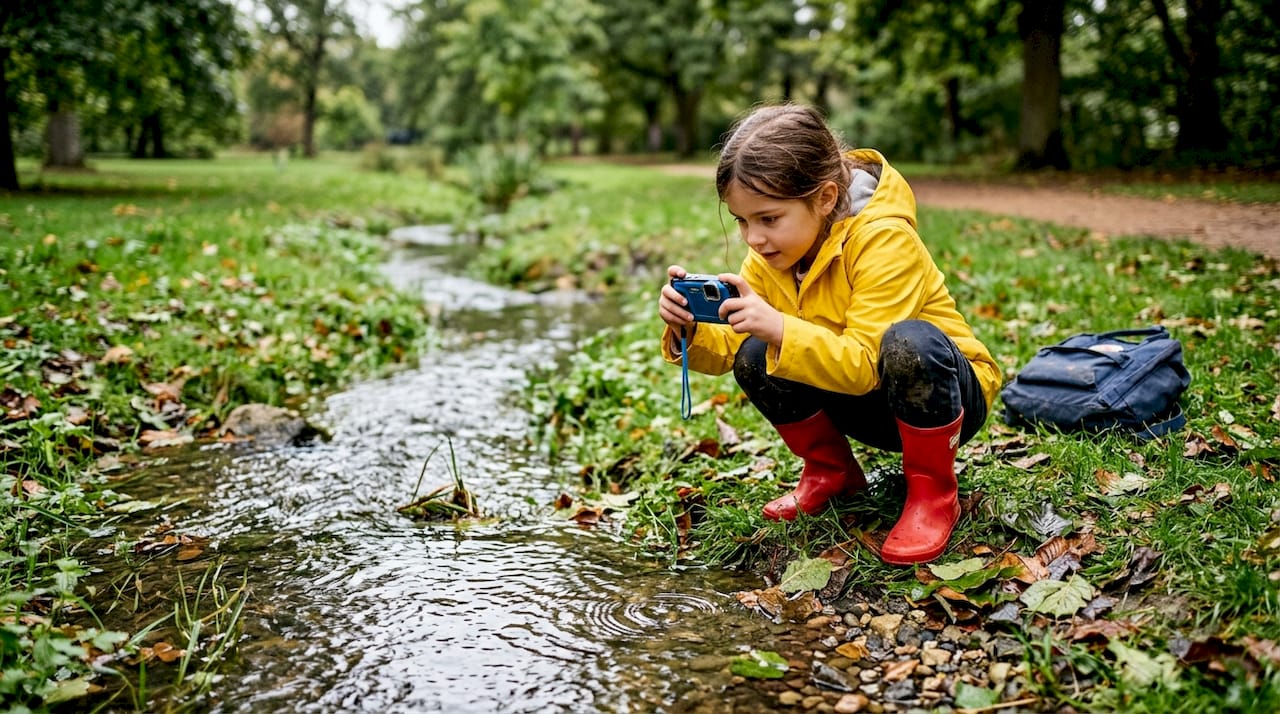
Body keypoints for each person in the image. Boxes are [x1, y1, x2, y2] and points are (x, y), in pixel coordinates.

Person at [656, 104, 1001, 565]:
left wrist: (780, 326)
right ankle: (831, 472)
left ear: (824, 197)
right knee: (756, 353)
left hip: (942, 395)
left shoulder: (884, 239)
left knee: (909, 343)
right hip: (858, 398)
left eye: (768, 218)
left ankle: (932, 493)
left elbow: (865, 364)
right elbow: (732, 354)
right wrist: (688, 329)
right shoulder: (770, 257)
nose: (753, 239)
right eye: (742, 221)